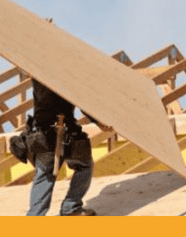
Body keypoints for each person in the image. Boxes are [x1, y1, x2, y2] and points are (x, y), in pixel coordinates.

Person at [12, 79, 112, 216]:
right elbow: (83, 103)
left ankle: (35, 216)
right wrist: (98, 121)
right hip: (66, 133)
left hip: (42, 134)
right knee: (84, 166)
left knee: (44, 175)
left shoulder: (37, 73)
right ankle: (71, 207)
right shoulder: (66, 74)